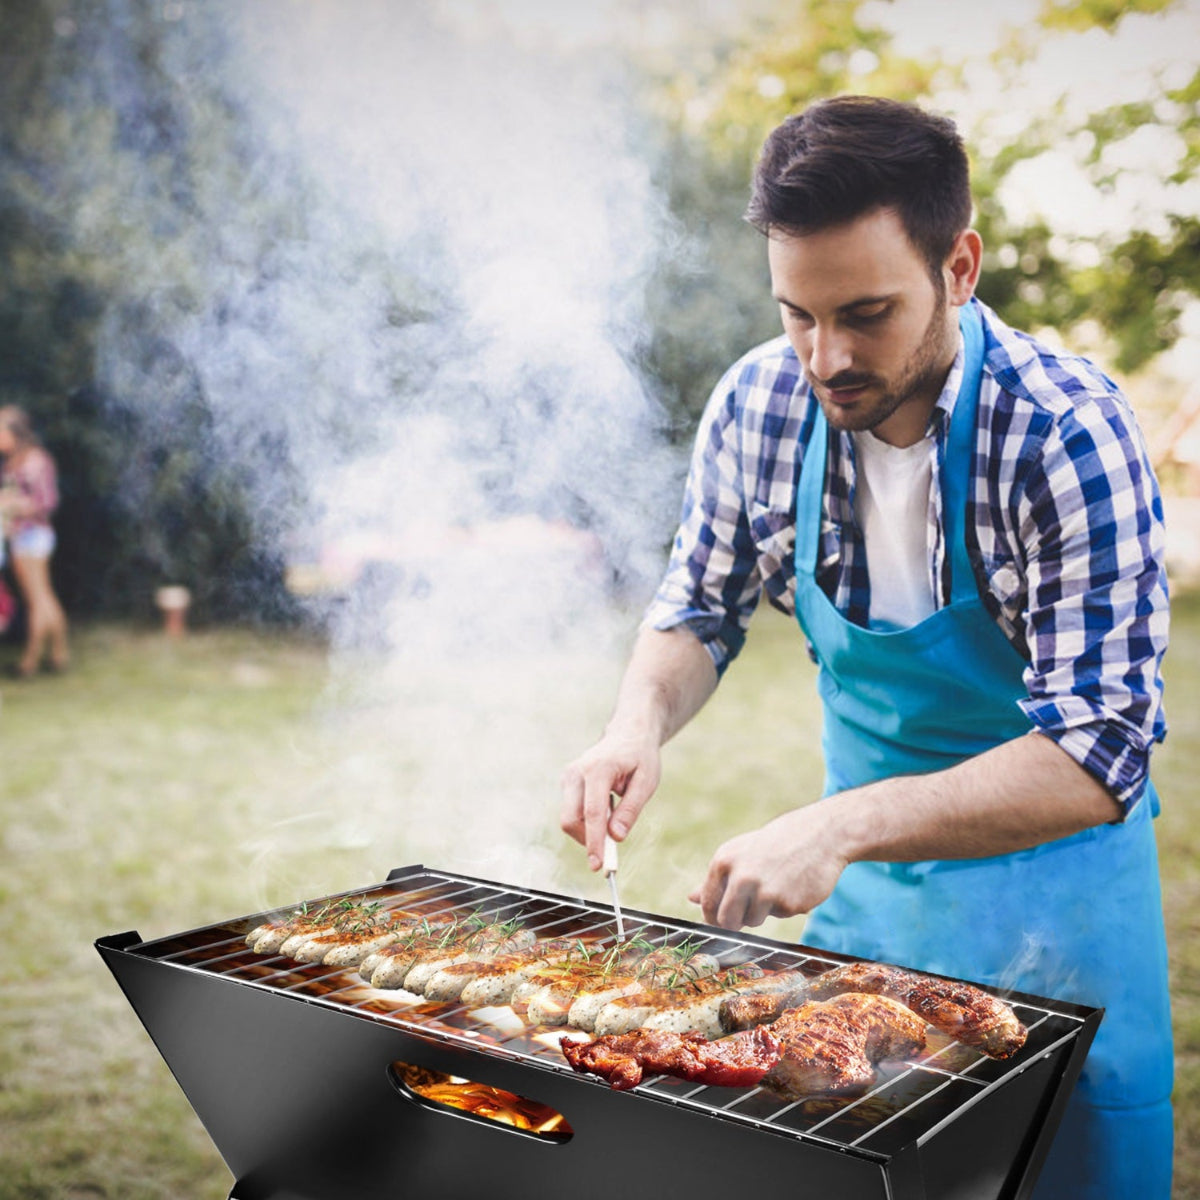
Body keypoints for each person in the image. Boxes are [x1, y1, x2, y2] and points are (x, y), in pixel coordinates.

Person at [560, 96, 1173, 1199]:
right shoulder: (760, 402)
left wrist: (839, 823)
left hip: (1063, 920)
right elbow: (699, 605)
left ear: (961, 266)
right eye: (797, 312)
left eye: (867, 313)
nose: (826, 356)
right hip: (868, 913)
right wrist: (633, 725)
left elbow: (1099, 751)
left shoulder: (1066, 434)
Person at [0, 405, 70, 677]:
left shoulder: (37, 461)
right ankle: (58, 654)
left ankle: (29, 661)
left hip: (34, 536)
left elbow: (47, 502)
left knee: (37, 599)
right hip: (19, 536)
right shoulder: (12, 462)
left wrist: (15, 505)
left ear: (15, 432)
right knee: (45, 597)